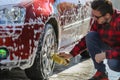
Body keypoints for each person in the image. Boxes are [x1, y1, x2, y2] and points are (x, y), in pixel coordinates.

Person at [59, 0, 120, 80]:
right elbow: (86, 40)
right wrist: (71, 54)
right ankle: (101, 73)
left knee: (113, 64)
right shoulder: (98, 21)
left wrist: (105, 55)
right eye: (93, 15)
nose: (94, 18)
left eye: (97, 17)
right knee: (90, 36)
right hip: (111, 47)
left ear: (107, 15)